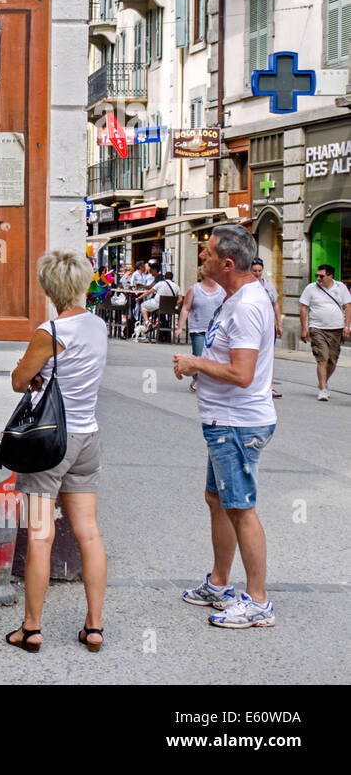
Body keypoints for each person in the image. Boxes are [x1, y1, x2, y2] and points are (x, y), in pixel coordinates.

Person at [173, 224, 277, 628]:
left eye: (209, 253)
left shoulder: (248, 305)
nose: (203, 257)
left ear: (228, 264)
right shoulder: (238, 298)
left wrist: (196, 363)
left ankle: (258, 602)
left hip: (237, 424)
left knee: (241, 509)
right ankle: (219, 584)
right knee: (218, 502)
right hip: (223, 422)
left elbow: (242, 372)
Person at [5, 250, 109, 654]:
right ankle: (94, 626)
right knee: (89, 532)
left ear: (49, 288)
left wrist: (30, 374)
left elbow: (19, 381)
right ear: (82, 284)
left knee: (40, 535)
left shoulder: (50, 331)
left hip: (51, 443)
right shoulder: (99, 326)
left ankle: (31, 628)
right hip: (88, 437)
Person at [299, 264, 351, 401]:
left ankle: (324, 382)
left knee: (332, 360)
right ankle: (322, 389)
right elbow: (304, 308)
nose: (318, 278)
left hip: (336, 328)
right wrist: (304, 328)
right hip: (317, 327)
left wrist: (347, 326)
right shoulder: (311, 288)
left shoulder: (341, 288)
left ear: (330, 276)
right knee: (323, 358)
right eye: (317, 275)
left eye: (321, 276)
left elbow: (348, 306)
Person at [175, 272, 225, 391]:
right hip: (198, 329)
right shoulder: (194, 289)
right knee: (199, 356)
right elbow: (186, 308)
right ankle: (198, 379)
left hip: (217, 329)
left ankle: (211, 381)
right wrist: (179, 327)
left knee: (215, 358)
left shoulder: (222, 289)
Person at [250, 258, 283, 398]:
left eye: (259, 271)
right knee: (253, 355)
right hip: (252, 325)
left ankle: (269, 386)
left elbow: (275, 304)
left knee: (268, 356)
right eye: (255, 271)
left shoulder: (268, 284)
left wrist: (279, 323)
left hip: (268, 326)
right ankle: (252, 385)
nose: (257, 273)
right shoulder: (247, 285)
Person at [136, 269, 179, 336]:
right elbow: (181, 298)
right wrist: (175, 304)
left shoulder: (160, 283)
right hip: (169, 308)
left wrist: (139, 298)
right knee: (157, 309)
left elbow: (149, 292)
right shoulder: (176, 286)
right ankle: (157, 321)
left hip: (157, 305)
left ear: (164, 277)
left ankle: (148, 322)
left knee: (143, 306)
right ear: (172, 278)